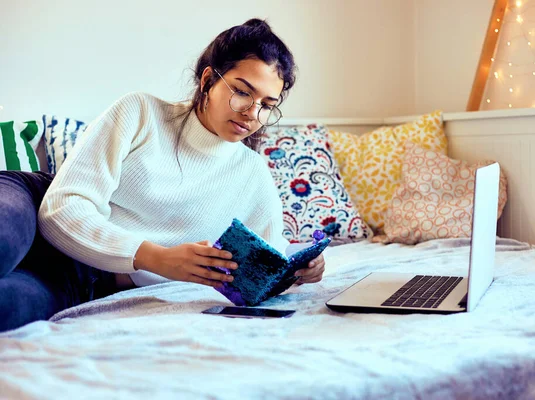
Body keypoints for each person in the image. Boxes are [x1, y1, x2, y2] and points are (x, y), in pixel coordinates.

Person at [0, 18, 326, 333]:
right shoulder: (140, 113)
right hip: (34, 205)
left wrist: (300, 270)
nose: (252, 114)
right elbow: (61, 210)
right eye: (242, 92)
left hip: (83, 282)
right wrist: (156, 258)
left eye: (267, 105)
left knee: (8, 307)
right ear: (208, 80)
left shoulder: (253, 174)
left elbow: (266, 265)